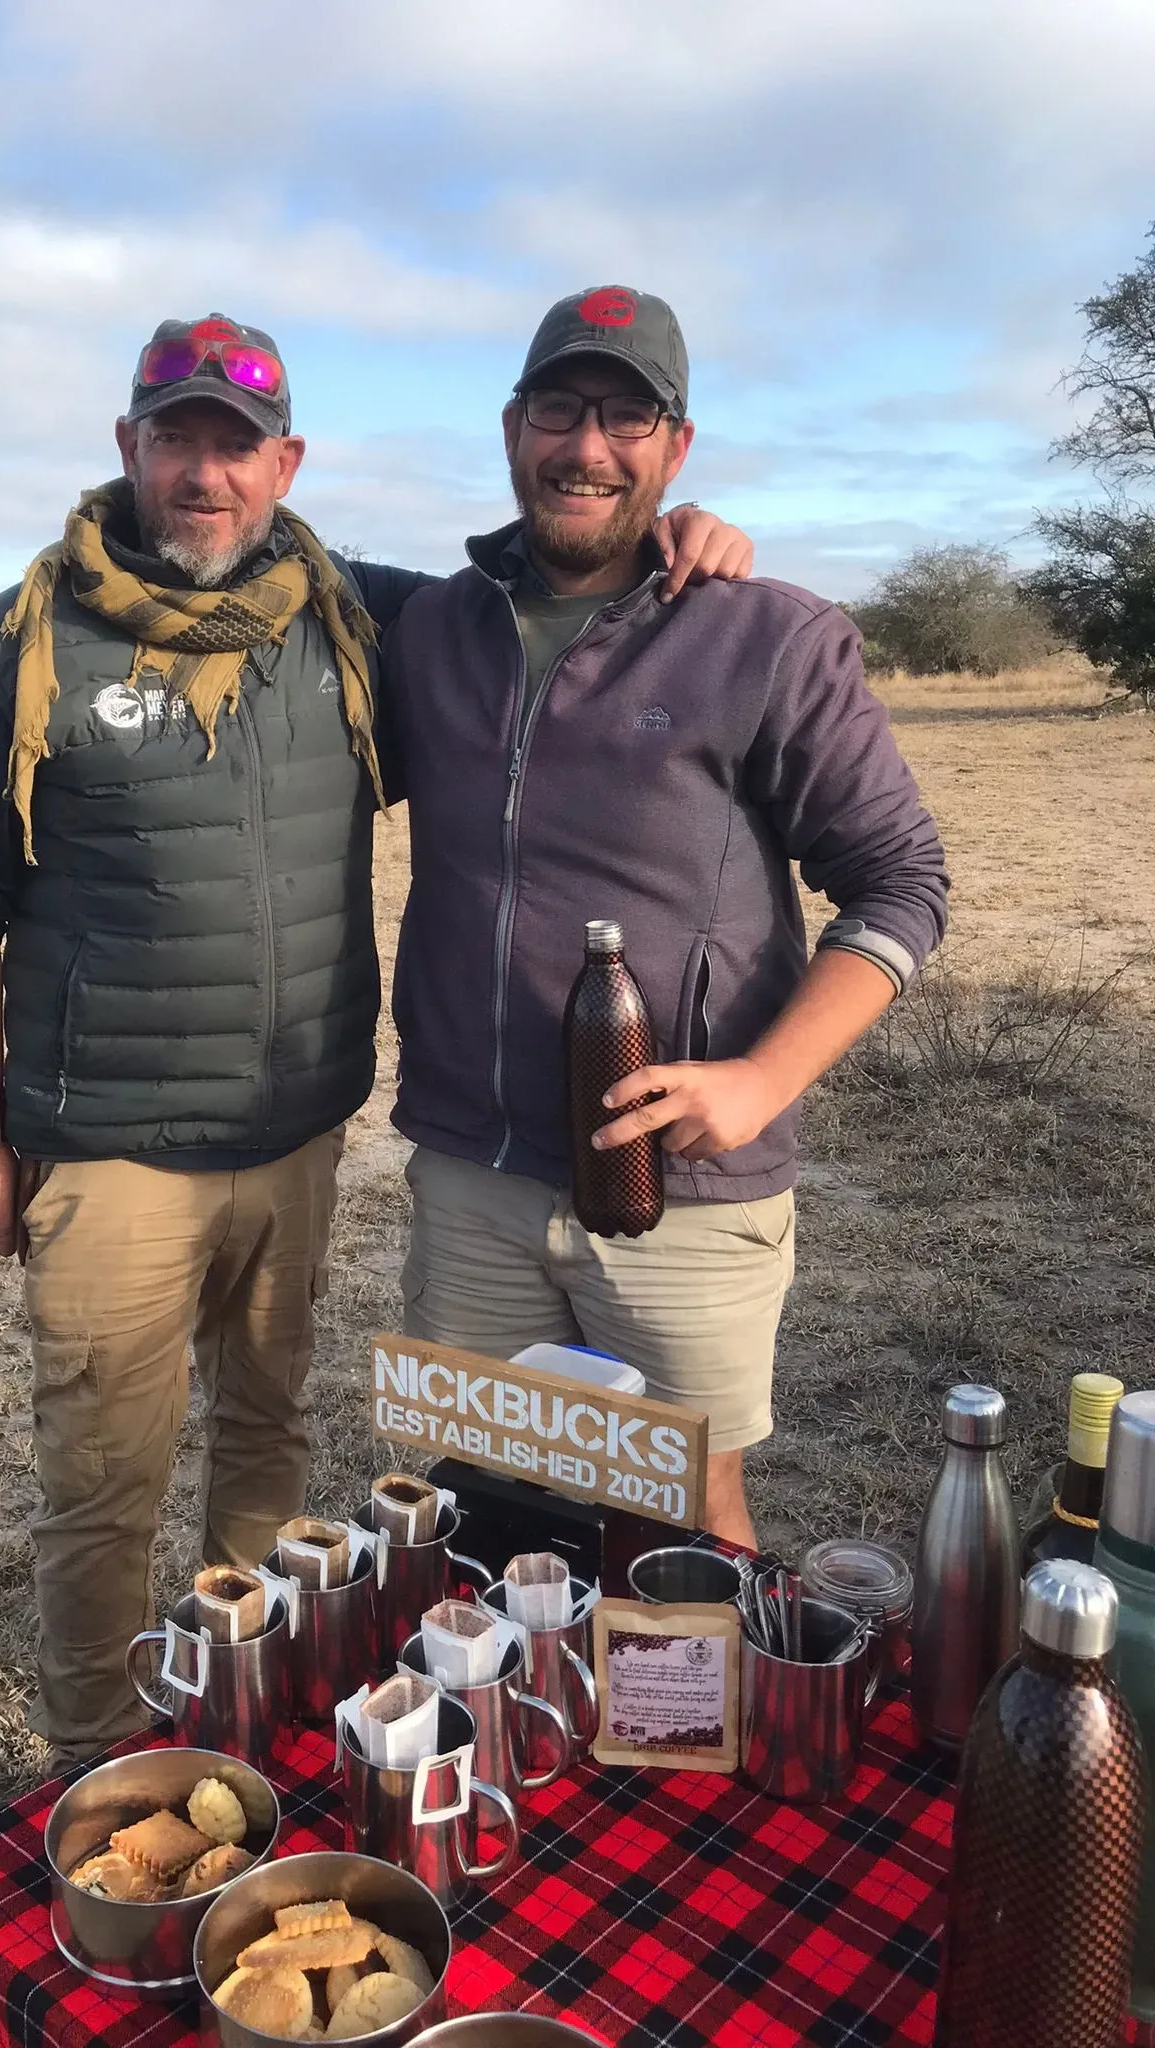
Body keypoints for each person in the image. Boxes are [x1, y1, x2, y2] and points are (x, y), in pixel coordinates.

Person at [0, 309, 752, 1759]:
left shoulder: (356, 618)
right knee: (105, 1486)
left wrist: (690, 540)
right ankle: (107, 1772)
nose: (205, 475)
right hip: (108, 1151)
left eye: (236, 446)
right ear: (129, 447)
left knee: (268, 1448)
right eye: (176, 437)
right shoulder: (22, 641)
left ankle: (252, 1725)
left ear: (285, 462)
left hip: (302, 1139)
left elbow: (535, 613)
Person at [382, 285, 951, 1549]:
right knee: (488, 1502)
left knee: (685, 1514)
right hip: (474, 1172)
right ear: (512, 425)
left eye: (627, 414)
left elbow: (904, 880)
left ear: (676, 446)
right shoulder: (430, 628)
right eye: (559, 408)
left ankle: (682, 1752)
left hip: (684, 1186)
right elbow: (256, 573)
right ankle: (515, 1741)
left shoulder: (766, 637)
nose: (588, 445)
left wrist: (758, 1078)